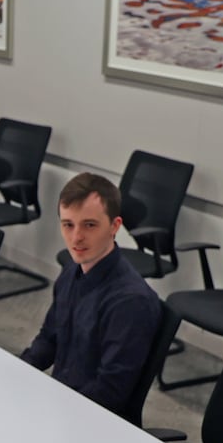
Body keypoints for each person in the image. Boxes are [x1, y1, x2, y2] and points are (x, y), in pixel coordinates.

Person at [20, 172, 160, 413]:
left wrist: (49, 409)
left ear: (115, 226)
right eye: (68, 225)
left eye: (90, 225)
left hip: (92, 422)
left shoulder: (130, 301)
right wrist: (15, 372)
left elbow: (109, 392)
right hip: (61, 401)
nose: (76, 238)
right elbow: (48, 339)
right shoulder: (71, 272)